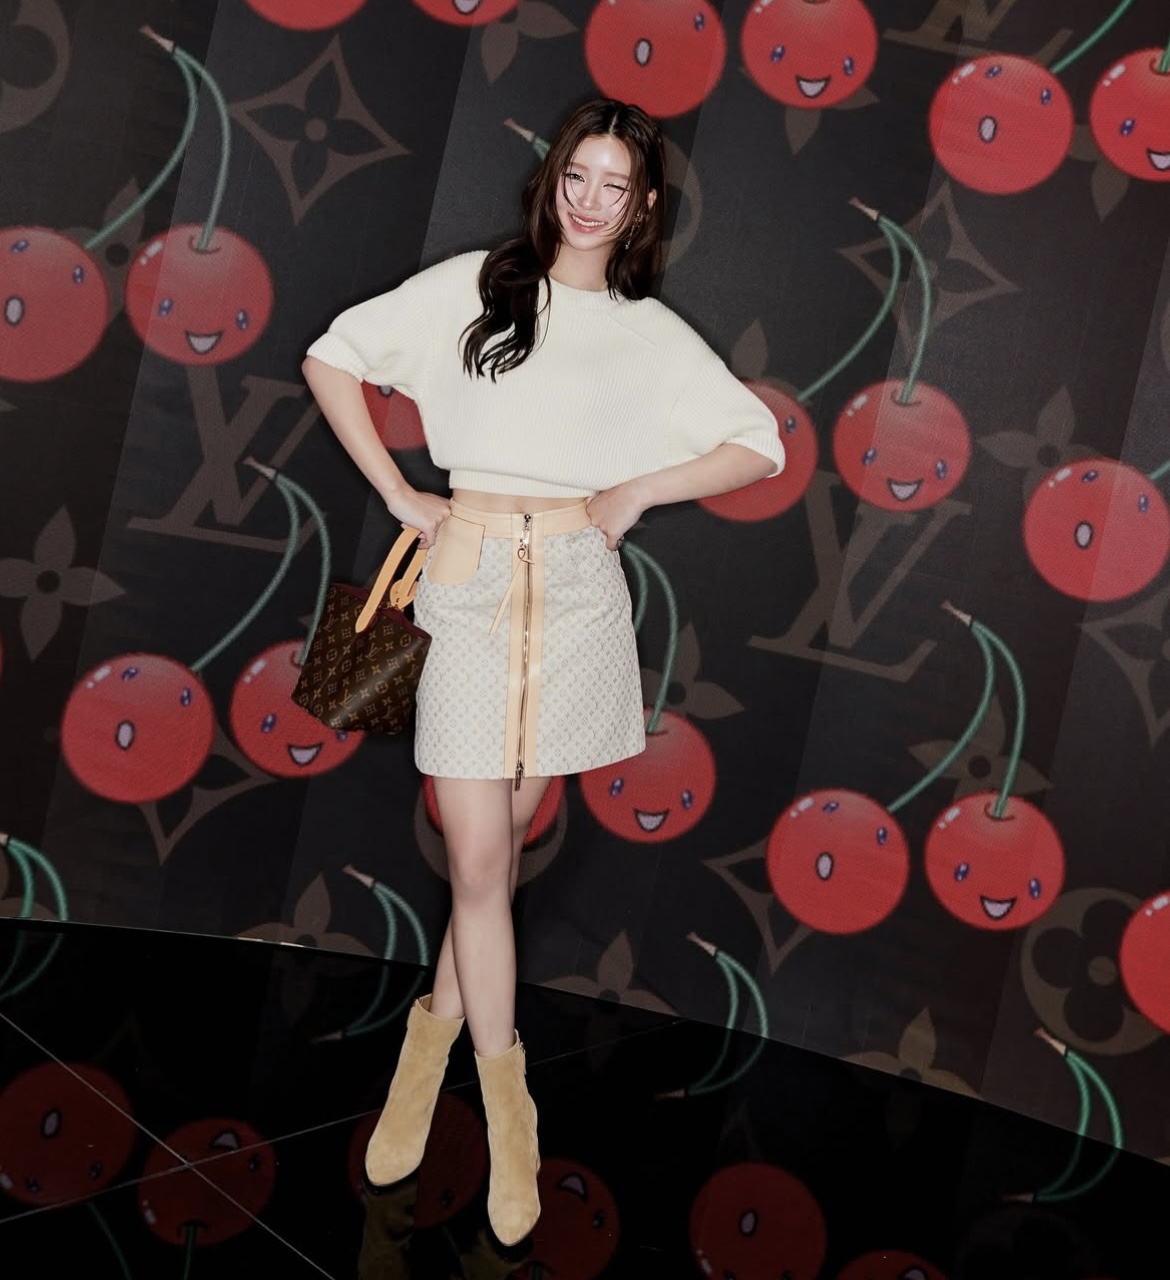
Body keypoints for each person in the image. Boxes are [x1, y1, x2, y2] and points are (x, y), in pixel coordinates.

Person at [302, 99, 785, 1245]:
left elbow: (757, 443)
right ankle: (509, 1109)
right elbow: (332, 356)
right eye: (578, 175)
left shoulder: (645, 331)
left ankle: (424, 1053)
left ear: (642, 205)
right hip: (467, 580)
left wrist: (638, 490)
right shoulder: (477, 285)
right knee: (479, 860)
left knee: (499, 858)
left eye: (616, 184)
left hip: (573, 595)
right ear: (553, 178)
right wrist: (398, 492)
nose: (590, 200)